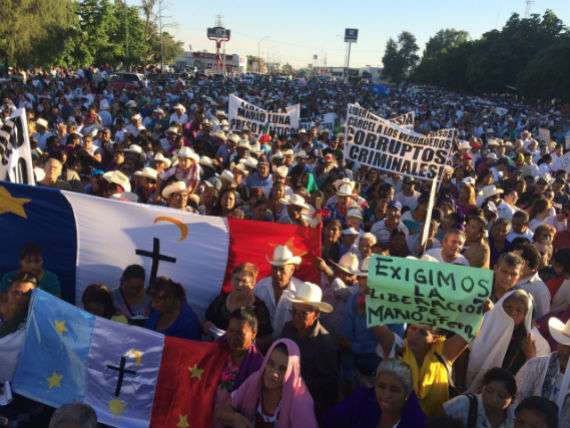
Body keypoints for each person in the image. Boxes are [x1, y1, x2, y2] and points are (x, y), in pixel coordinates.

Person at [215, 339, 318, 428]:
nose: (274, 373)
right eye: (271, 364)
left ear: (292, 373)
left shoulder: (300, 402)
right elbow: (222, 412)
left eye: (282, 369)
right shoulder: (254, 382)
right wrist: (235, 419)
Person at [465, 290, 549, 392]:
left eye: (519, 311)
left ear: (525, 316)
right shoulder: (484, 326)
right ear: (500, 307)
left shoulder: (534, 341)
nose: (512, 312)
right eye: (508, 307)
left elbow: (538, 378)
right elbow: (466, 352)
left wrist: (531, 357)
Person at [281, 281, 337, 419]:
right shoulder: (288, 329)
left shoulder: (325, 343)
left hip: (310, 407)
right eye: (294, 312)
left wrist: (298, 383)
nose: (296, 317)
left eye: (302, 314)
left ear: (316, 314)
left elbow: (329, 385)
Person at [322, 359, 427, 428]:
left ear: (407, 394)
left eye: (394, 390)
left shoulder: (416, 422)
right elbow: (329, 419)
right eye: (381, 386)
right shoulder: (360, 400)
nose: (386, 395)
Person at [213, 306, 264, 428]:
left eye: (240, 333)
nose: (234, 338)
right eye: (231, 331)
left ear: (254, 333)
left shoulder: (258, 366)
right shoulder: (218, 348)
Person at [203, 263, 273, 352]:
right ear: (231, 280)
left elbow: (267, 341)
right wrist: (207, 327)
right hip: (217, 351)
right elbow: (206, 321)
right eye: (236, 279)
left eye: (244, 281)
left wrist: (246, 341)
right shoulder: (222, 299)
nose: (239, 284)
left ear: (252, 284)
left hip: (242, 357)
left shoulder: (259, 308)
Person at [515, 316, 570, 426]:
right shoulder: (535, 366)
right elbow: (516, 403)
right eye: (565, 345)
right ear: (558, 344)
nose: (566, 352)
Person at [253, 245, 303, 339]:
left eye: (281, 269)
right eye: (274, 268)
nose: (277, 274)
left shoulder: (300, 290)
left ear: (292, 270)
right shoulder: (261, 286)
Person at [443, 367, 517, 428]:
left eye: (501, 396)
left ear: (512, 399)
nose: (494, 399)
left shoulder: (517, 416)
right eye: (489, 391)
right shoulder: (462, 404)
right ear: (481, 388)